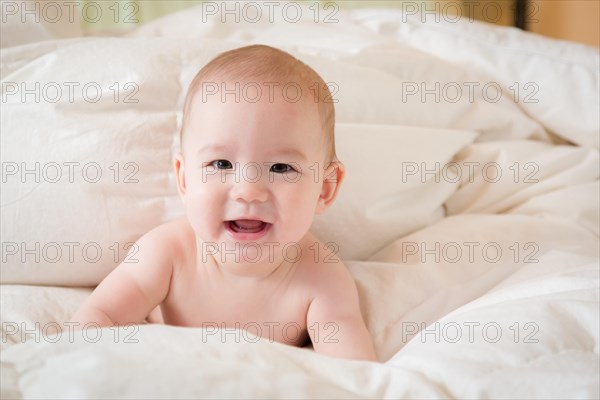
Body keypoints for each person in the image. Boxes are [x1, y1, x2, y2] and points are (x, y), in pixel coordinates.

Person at [71, 44, 377, 361]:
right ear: (185, 179)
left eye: (281, 167)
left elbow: (356, 375)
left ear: (325, 189)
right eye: (221, 164)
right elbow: (98, 319)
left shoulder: (322, 279)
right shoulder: (167, 255)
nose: (248, 191)